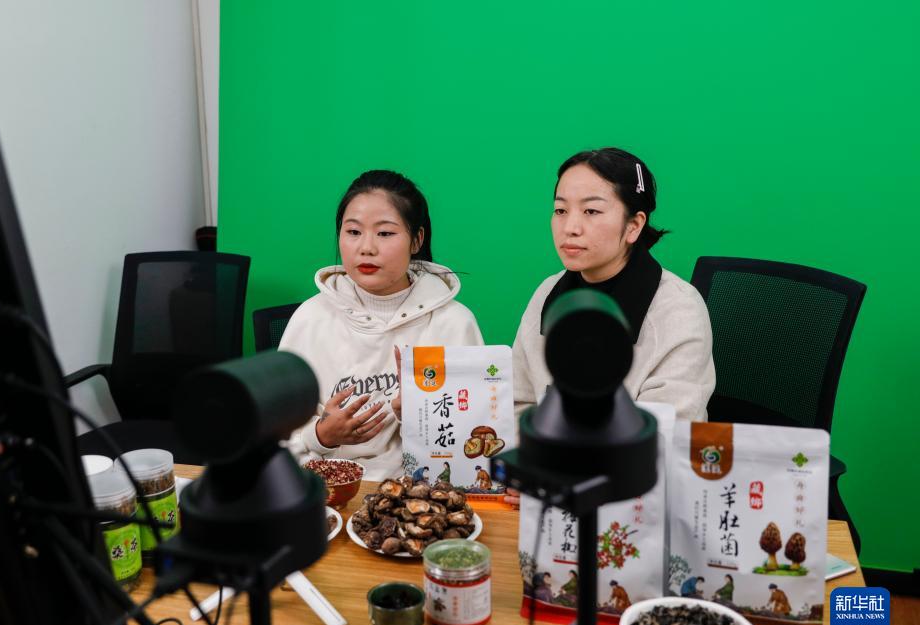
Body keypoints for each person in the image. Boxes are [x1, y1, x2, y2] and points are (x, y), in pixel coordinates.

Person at [506, 148, 715, 506]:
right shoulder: (547, 293)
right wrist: (530, 466)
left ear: (634, 225)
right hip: (546, 500)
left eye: (591, 211)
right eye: (560, 210)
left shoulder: (679, 309)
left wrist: (558, 477)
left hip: (641, 504)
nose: (570, 227)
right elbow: (519, 402)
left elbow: (666, 436)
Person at [279, 170, 483, 481]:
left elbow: (474, 449)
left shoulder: (453, 323)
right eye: (353, 231)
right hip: (325, 492)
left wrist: (419, 416)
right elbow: (272, 444)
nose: (366, 248)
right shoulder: (310, 318)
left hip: (419, 495)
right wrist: (320, 436)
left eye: (385, 233)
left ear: (417, 240)